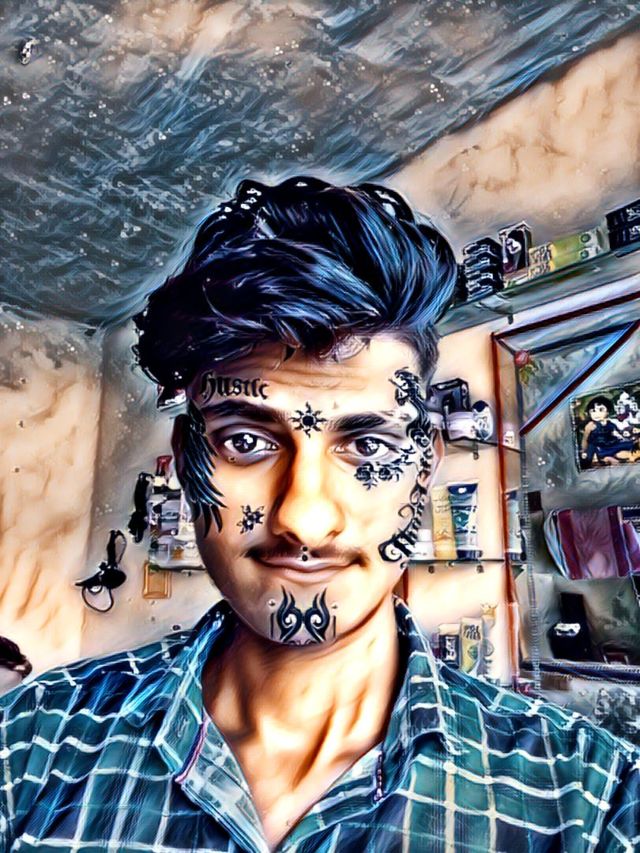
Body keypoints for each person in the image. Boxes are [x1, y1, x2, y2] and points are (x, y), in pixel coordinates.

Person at [1, 177, 638, 852]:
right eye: (246, 442)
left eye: (367, 445)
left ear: (423, 467)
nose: (303, 519)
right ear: (187, 461)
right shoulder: (32, 745)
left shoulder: (594, 803)